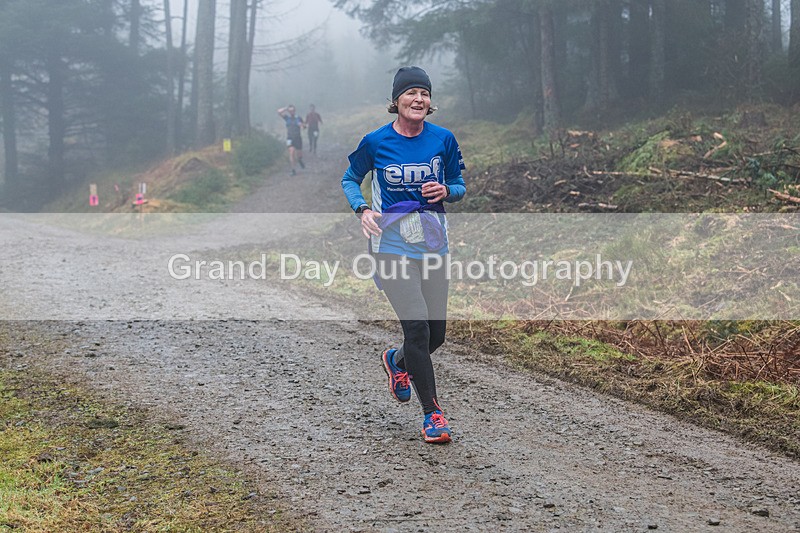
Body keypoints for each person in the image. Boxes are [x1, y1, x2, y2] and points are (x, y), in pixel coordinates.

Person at [341, 66, 466, 444]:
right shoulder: (375, 142)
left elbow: (459, 185)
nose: (418, 100)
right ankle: (433, 416)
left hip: (432, 243)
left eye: (424, 94)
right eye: (410, 93)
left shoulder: (443, 139)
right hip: (390, 245)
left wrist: (446, 190)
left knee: (436, 334)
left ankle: (396, 361)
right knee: (417, 328)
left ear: (430, 102)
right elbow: (350, 178)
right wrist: (362, 209)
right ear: (395, 102)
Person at [277, 105, 305, 175]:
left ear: (295, 111)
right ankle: (293, 170)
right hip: (290, 138)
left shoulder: (298, 118)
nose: (291, 112)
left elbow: (304, 126)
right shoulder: (287, 118)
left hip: (297, 138)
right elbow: (279, 112)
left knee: (299, 154)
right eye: (290, 111)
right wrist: (286, 108)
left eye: (293, 110)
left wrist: (301, 125)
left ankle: (300, 160)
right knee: (291, 153)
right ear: (289, 111)